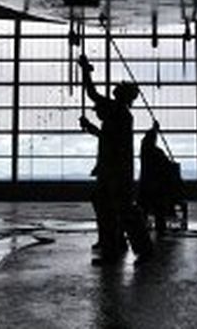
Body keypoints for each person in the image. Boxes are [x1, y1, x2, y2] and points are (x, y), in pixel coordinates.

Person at [77, 54, 152, 265]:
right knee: (116, 208)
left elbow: (92, 93)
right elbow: (109, 138)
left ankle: (120, 249)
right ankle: (127, 247)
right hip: (116, 170)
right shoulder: (121, 114)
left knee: (114, 209)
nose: (98, 111)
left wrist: (85, 71)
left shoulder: (116, 111)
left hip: (114, 171)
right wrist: (92, 128)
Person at [139, 120, 184, 235]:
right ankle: (160, 228)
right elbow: (166, 165)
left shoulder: (145, 150)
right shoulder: (156, 151)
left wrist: (154, 129)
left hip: (146, 184)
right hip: (157, 185)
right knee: (158, 208)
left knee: (146, 207)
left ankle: (142, 228)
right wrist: (155, 129)